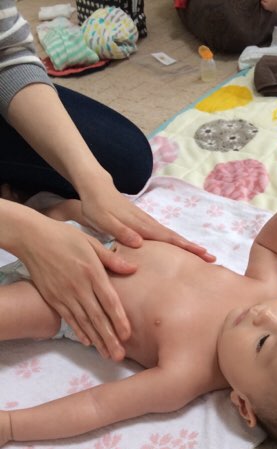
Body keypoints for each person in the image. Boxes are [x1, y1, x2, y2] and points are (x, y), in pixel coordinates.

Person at [0, 185, 277, 449]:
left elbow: (99, 405)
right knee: (68, 203)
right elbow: (271, 248)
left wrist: (14, 426)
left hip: (66, 302)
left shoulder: (184, 376)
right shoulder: (262, 290)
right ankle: (37, 206)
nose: (265, 314)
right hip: (96, 237)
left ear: (243, 405)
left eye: (263, 342)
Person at [0, 0, 214, 363]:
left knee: (125, 161)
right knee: (31, 309)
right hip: (58, 295)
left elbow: (7, 53)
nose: (266, 316)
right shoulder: (190, 366)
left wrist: (92, 179)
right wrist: (22, 230)